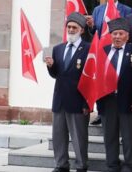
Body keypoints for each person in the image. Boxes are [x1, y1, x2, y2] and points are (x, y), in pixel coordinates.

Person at [45, 12, 91, 172]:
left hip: (78, 101)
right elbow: (56, 74)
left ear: (82, 30)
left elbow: (91, 78)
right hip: (59, 100)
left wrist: (87, 103)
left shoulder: (89, 49)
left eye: (74, 27)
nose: (71, 30)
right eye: (69, 27)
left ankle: (81, 165)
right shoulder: (58, 49)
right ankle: (61, 165)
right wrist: (51, 66)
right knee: (58, 136)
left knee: (79, 138)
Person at [97, 17, 132, 172]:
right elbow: (96, 77)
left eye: (120, 34)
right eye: (114, 34)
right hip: (107, 101)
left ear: (127, 36)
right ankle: (112, 164)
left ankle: (129, 165)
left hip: (129, 102)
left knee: (129, 137)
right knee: (109, 135)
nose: (117, 36)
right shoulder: (102, 52)